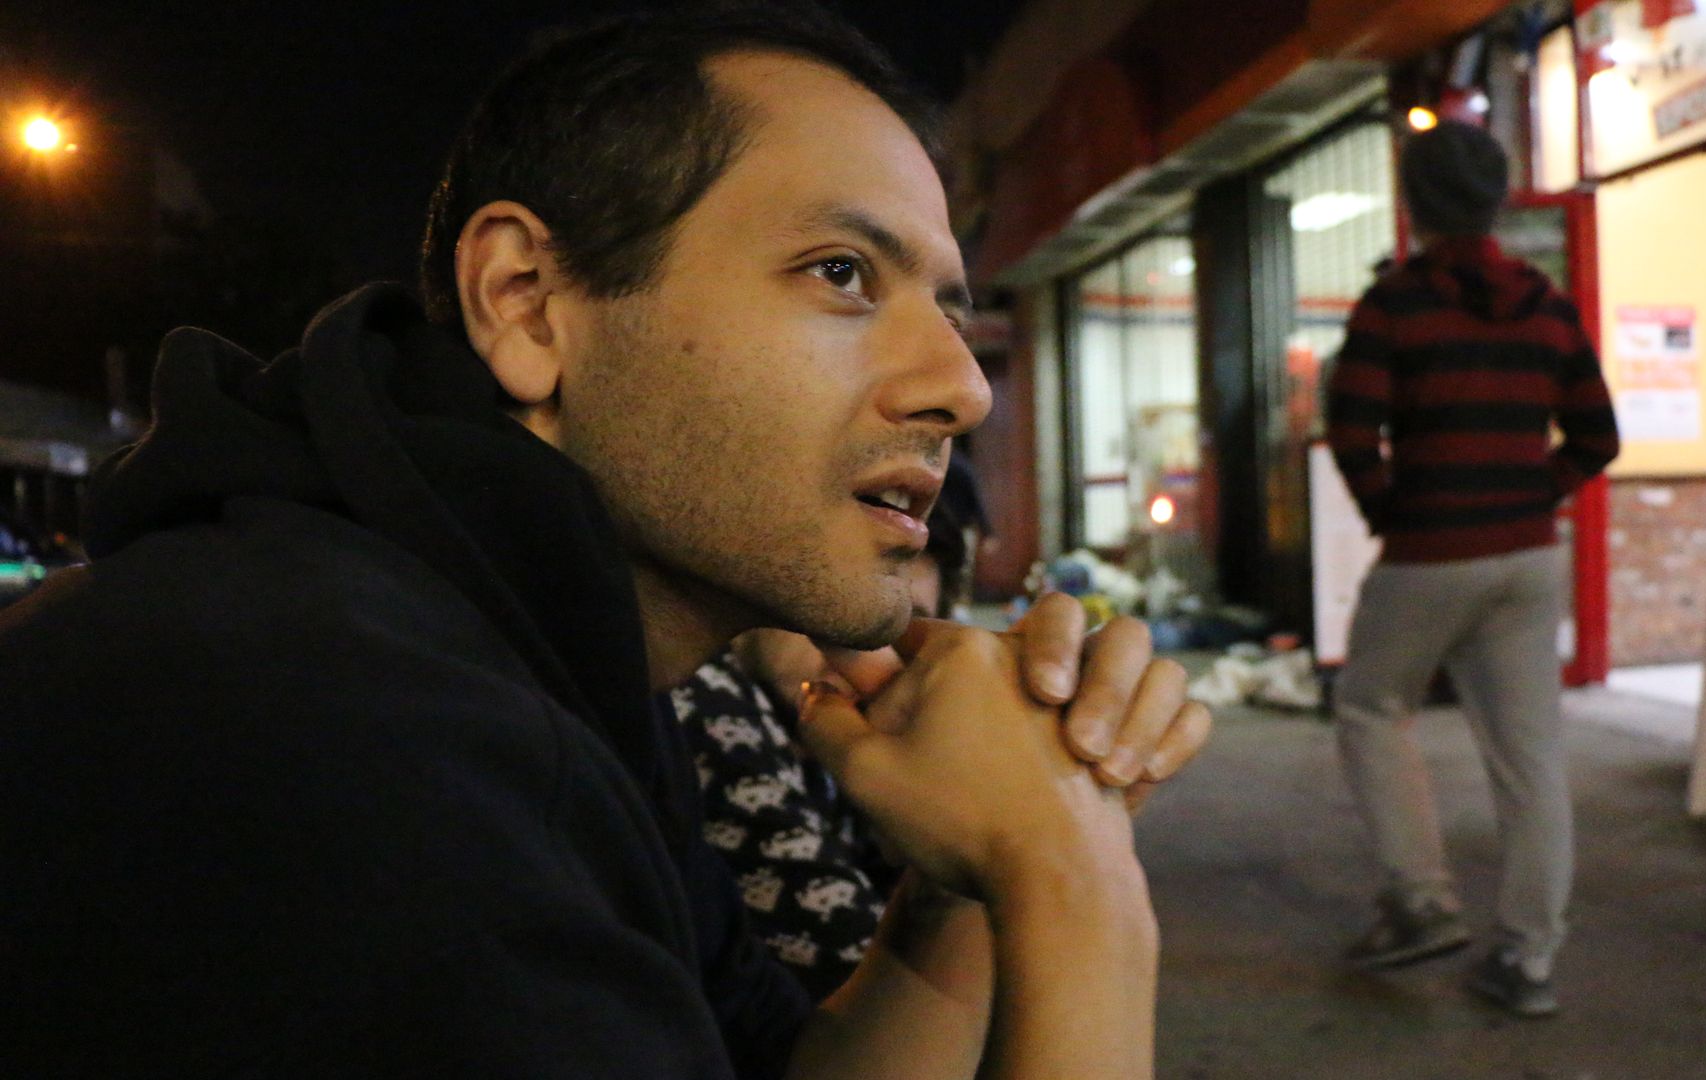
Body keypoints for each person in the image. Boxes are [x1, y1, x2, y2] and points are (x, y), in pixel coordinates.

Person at [0, 6, 1212, 1077]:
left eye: (949, 311)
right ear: (525, 301)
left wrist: (971, 880)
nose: (963, 388)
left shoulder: (541, 655)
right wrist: (1079, 894)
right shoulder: (330, 737)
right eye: (841, 272)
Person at [1324, 119, 1618, 1018]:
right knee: (1531, 759)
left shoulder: (1394, 304)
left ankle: (1422, 903)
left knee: (1373, 705)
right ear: (1494, 200)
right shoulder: (1547, 304)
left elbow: (1352, 430)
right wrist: (1535, 495)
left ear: (1416, 202)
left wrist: (1395, 512)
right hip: (1529, 556)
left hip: (1429, 555)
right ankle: (1528, 963)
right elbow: (1599, 437)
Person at [670, 459, 990, 1000]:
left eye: (902, 626)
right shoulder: (702, 700)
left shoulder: (847, 741)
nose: (865, 645)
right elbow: (858, 974)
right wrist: (1049, 858)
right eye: (836, 607)